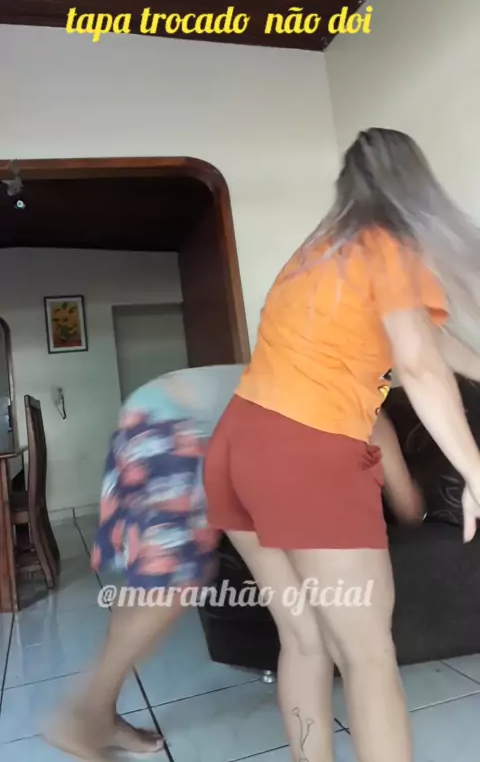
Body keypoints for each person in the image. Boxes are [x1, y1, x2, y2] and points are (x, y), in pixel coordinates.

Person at [204, 128, 480, 762]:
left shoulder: (317, 253)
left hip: (236, 446)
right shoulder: (390, 245)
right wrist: (475, 469)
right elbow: (419, 367)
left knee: (304, 640)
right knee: (368, 655)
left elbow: (432, 345)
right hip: (306, 452)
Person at [44, 371, 219, 761]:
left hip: (150, 417)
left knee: (152, 586)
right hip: (172, 426)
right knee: (178, 580)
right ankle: (79, 717)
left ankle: (100, 716)